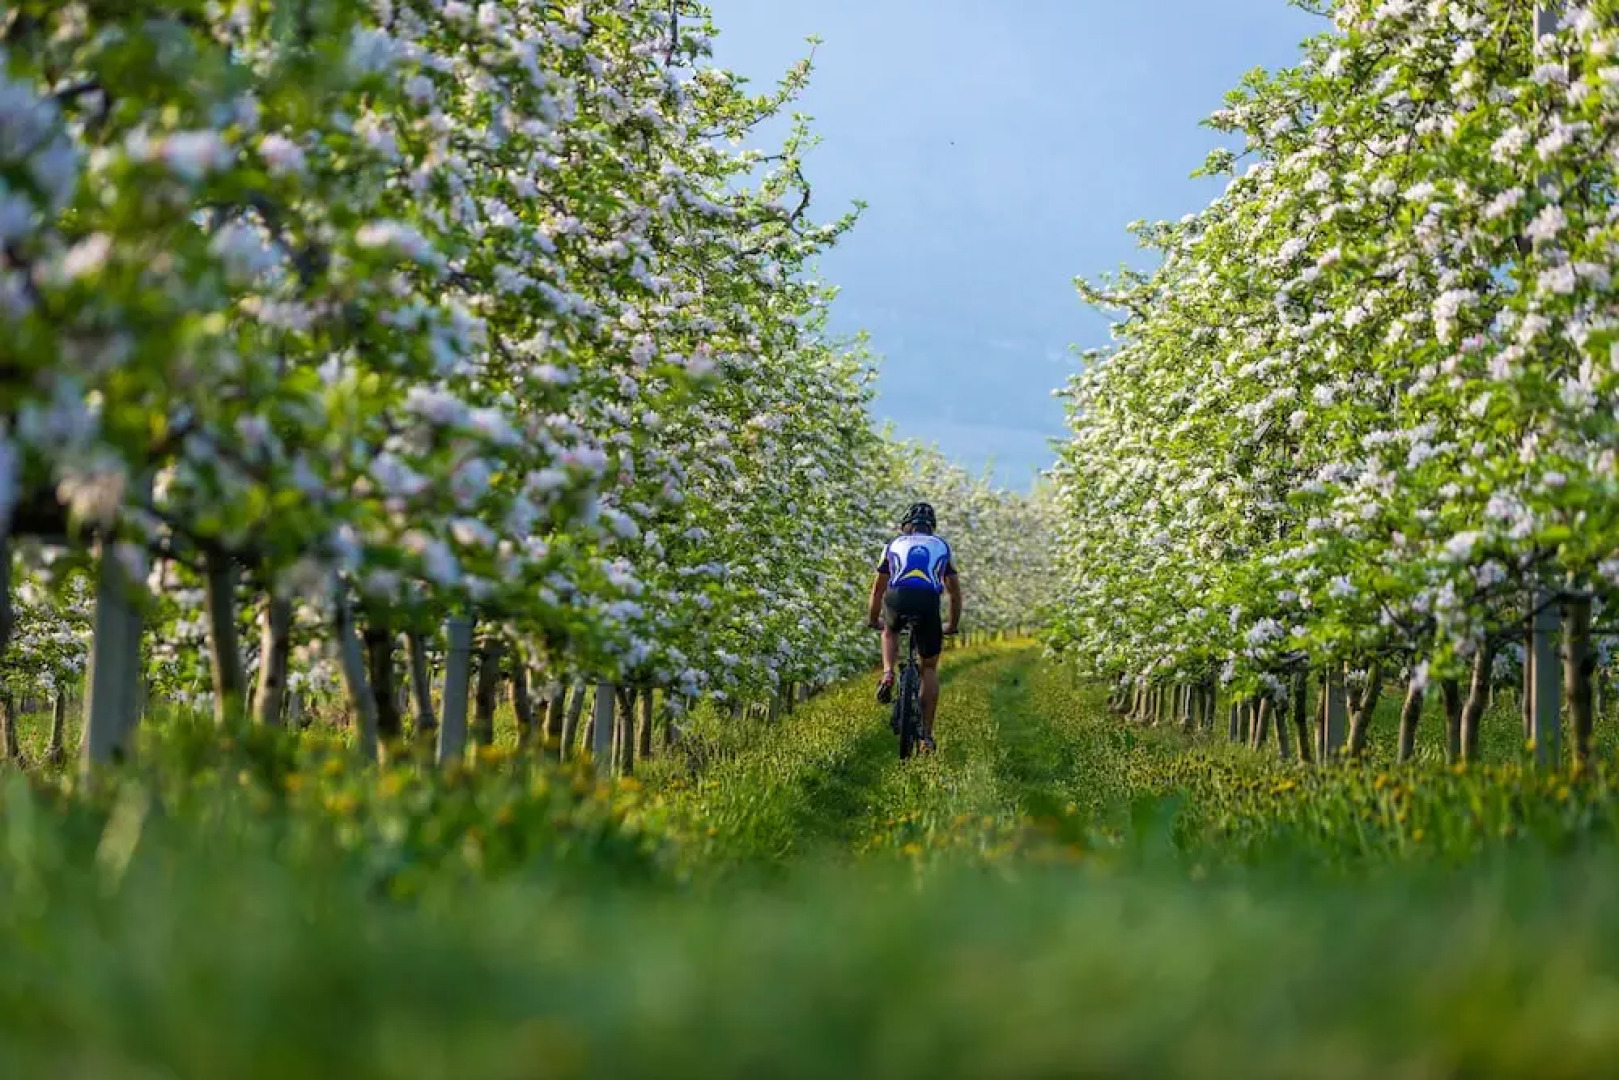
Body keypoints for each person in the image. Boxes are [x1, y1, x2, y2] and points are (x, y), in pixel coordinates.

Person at [867, 501, 962, 751]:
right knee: (928, 668)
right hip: (927, 602)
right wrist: (952, 624)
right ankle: (926, 737)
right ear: (932, 528)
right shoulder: (942, 546)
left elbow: (878, 589)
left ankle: (888, 673)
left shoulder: (893, 544)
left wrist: (872, 618)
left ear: (906, 526)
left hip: (898, 597)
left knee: (889, 630)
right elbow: (955, 593)